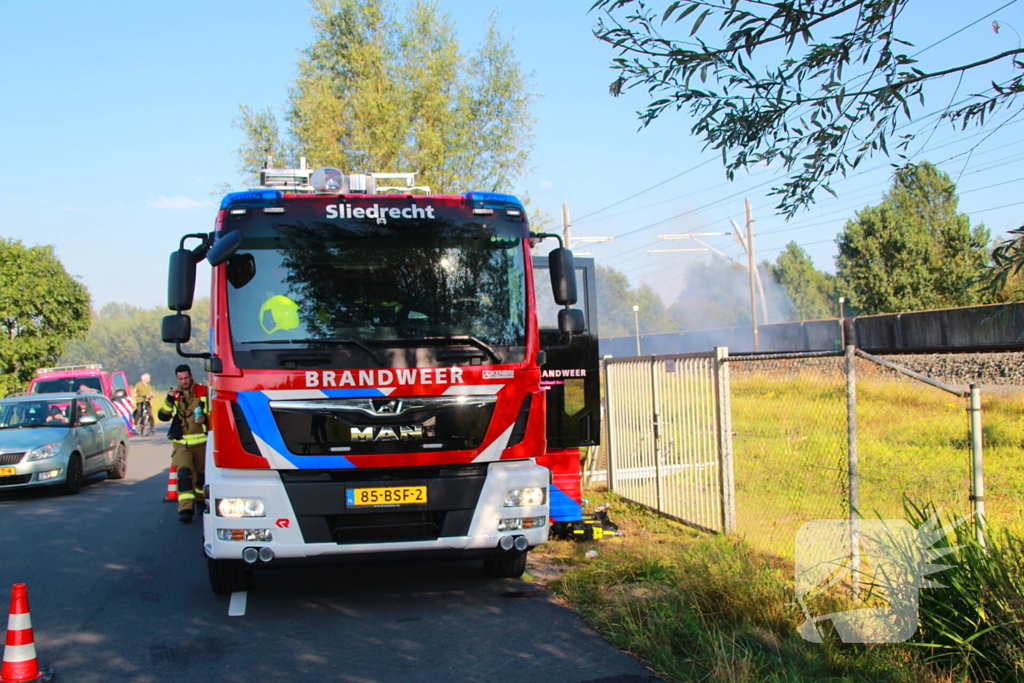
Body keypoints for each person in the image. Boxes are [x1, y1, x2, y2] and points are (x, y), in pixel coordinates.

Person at [157, 365, 209, 524]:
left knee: (201, 478)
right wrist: (169, 400)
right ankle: (185, 509)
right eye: (181, 379)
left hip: (201, 441)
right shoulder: (174, 395)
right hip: (181, 444)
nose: (184, 381)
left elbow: (215, 413)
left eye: (186, 378)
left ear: (191, 376)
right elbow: (163, 416)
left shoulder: (203, 392)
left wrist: (205, 419)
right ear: (177, 379)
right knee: (184, 475)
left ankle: (201, 502)